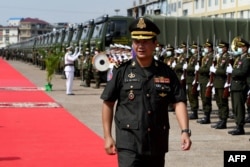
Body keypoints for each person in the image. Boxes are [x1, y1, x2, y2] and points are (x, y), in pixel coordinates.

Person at [100, 17, 191, 167]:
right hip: (128, 142)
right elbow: (108, 103)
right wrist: (107, 136)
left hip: (156, 141)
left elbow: (178, 102)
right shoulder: (122, 72)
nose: (140, 46)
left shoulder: (166, 72)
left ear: (155, 43)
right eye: (137, 41)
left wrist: (185, 131)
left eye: (145, 41)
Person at [227, 38, 250, 135]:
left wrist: (232, 71)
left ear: (246, 48)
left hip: (240, 86)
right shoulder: (239, 58)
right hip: (235, 86)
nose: (240, 48)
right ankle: (238, 125)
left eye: (241, 47)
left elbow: (243, 72)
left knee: (239, 107)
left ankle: (240, 127)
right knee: (235, 107)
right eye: (239, 46)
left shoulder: (247, 59)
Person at [210, 41, 230, 129]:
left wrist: (215, 70)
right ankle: (221, 118)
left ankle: (224, 120)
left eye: (222, 47)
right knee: (218, 102)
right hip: (217, 82)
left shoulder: (227, 57)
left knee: (223, 102)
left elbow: (225, 71)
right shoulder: (220, 57)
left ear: (226, 48)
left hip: (222, 82)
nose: (220, 49)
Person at [196, 39, 214, 124]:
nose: (206, 48)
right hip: (202, 80)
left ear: (211, 48)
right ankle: (205, 115)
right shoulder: (206, 56)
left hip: (206, 80)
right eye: (205, 47)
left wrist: (200, 69)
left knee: (206, 99)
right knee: (203, 98)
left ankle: (207, 116)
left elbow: (208, 69)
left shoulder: (211, 57)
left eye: (207, 47)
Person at [187, 42, 201, 119]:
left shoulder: (198, 58)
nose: (193, 49)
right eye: (193, 48)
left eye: (195, 48)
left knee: (193, 95)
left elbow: (196, 69)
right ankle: (193, 110)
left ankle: (194, 111)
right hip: (189, 79)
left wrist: (189, 68)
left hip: (193, 78)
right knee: (190, 95)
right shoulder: (192, 57)